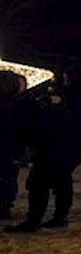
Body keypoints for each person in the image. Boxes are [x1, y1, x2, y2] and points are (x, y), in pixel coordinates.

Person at [6, 78, 81, 232]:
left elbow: (45, 125)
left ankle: (35, 219)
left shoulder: (65, 102)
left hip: (53, 147)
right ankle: (57, 216)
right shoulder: (78, 102)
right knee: (59, 182)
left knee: (40, 182)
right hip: (63, 148)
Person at [0, 70, 28, 220]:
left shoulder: (17, 104)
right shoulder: (20, 103)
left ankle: (4, 205)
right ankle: (5, 205)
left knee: (7, 176)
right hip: (11, 145)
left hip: (9, 145)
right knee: (8, 176)